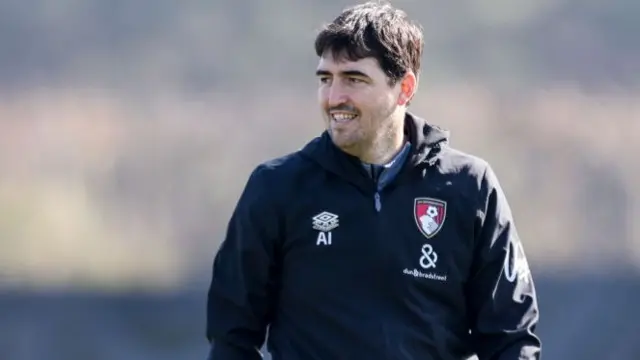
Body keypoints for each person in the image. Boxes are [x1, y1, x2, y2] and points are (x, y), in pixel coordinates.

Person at [205, 1, 541, 359]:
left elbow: (511, 338)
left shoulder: (470, 187)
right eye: (325, 79)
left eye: (354, 79)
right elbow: (231, 338)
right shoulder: (276, 189)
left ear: (405, 88)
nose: (334, 98)